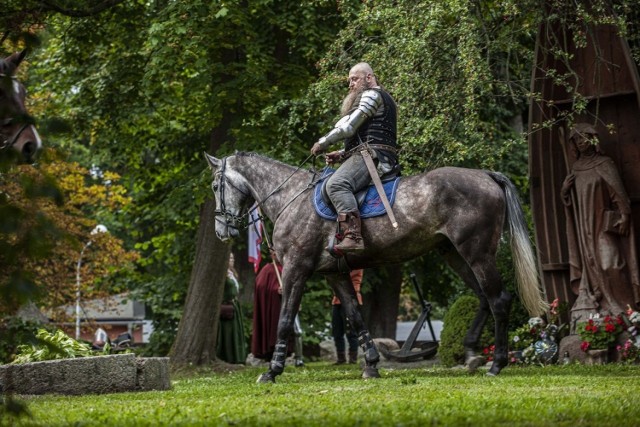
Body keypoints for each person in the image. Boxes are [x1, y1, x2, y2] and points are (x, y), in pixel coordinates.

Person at [310, 62, 398, 252]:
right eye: (349, 80)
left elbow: (349, 127)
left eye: (354, 79)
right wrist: (342, 155)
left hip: (374, 156)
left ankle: (353, 235)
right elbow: (368, 135)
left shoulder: (372, 95)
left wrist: (322, 142)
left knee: (336, 184)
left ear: (369, 77)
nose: (351, 84)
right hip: (371, 153)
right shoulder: (380, 98)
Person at [561, 123, 640, 326]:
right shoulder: (575, 170)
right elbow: (572, 205)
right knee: (594, 265)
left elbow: (618, 193)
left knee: (610, 263)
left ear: (593, 140)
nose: (581, 142)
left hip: (602, 224)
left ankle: (626, 309)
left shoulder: (605, 163)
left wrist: (624, 214)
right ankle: (605, 307)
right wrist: (565, 192)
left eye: (584, 138)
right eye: (577, 140)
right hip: (584, 228)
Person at [251, 249, 303, 365]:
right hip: (273, 307)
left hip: (288, 306)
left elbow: (296, 285)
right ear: (271, 254)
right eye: (274, 253)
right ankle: (273, 355)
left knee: (297, 331)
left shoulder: (287, 267)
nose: (276, 255)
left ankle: (298, 358)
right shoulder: (267, 270)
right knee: (275, 330)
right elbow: (260, 287)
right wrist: (275, 290)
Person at [216, 253, 248, 364]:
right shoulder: (222, 274)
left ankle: (237, 357)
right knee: (227, 332)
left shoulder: (232, 273)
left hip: (234, 305)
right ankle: (226, 357)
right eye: (229, 258)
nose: (232, 260)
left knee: (236, 331)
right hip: (226, 306)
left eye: (233, 258)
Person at [332, 269, 364, 364]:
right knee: (337, 331)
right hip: (337, 300)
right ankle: (341, 358)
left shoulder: (355, 265)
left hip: (350, 299)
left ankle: (352, 358)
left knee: (351, 331)